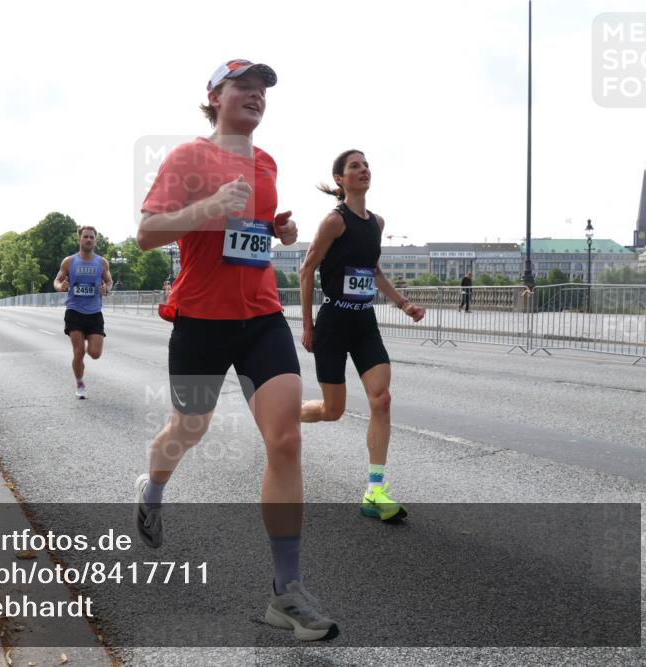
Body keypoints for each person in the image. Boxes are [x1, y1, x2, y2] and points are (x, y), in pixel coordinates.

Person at [134, 59, 338, 641]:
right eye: (243, 87)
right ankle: (153, 489)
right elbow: (148, 233)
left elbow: (247, 226)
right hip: (200, 318)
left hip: (262, 318)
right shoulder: (187, 159)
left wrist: (276, 229)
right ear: (214, 97)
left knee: (286, 438)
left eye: (262, 90)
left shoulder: (266, 162)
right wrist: (208, 208)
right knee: (189, 428)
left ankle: (286, 593)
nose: (255, 96)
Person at [298, 149, 425, 524]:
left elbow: (373, 270)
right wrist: (307, 325)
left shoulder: (377, 223)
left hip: (364, 322)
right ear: (340, 179)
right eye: (354, 166)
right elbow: (307, 270)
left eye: (366, 164)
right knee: (332, 411)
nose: (363, 169)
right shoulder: (334, 222)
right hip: (334, 322)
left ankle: (374, 489)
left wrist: (403, 304)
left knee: (381, 399)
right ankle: (284, 415)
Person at [53, 226, 113, 399]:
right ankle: (80, 383)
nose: (88, 239)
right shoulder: (69, 261)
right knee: (78, 352)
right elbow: (57, 280)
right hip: (75, 311)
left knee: (95, 354)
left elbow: (109, 281)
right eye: (85, 237)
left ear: (95, 241)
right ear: (79, 239)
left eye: (91, 237)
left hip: (94, 313)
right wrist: (60, 286)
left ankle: (88, 340)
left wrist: (106, 289)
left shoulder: (102, 263)